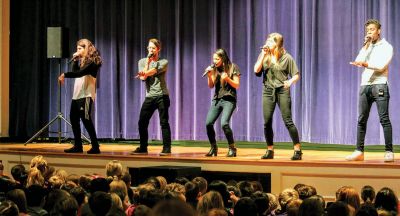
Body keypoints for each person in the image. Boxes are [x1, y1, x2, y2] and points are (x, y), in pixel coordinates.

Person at [346, 19, 394, 162]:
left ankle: (389, 151)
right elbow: (358, 60)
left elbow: (380, 66)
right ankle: (359, 151)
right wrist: (365, 46)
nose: (369, 32)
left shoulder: (386, 46)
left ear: (378, 31)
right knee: (361, 119)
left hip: (380, 84)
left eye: (372, 30)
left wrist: (365, 63)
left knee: (384, 118)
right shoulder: (367, 46)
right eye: (368, 30)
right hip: (365, 85)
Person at [254, 32, 302, 160]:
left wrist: (290, 81)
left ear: (277, 44)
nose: (267, 43)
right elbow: (256, 70)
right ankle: (270, 150)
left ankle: (297, 150)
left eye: (270, 41)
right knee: (267, 122)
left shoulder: (287, 58)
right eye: (267, 40)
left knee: (288, 121)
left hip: (282, 90)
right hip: (268, 90)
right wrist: (263, 56)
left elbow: (296, 75)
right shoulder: (264, 55)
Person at [58, 38, 102, 154]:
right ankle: (78, 146)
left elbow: (79, 73)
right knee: (73, 119)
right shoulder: (82, 62)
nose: (77, 50)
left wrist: (64, 74)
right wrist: (75, 60)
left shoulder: (93, 62)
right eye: (77, 48)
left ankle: (95, 146)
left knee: (86, 120)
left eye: (79, 48)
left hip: (86, 95)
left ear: (86, 48)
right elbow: (77, 73)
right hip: (77, 95)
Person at [131, 38, 171, 156]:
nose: (151, 50)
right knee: (142, 122)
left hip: (162, 95)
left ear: (158, 49)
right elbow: (143, 78)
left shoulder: (163, 62)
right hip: (150, 96)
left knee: (164, 122)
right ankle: (143, 148)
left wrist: (144, 73)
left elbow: (152, 72)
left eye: (153, 48)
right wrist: (146, 65)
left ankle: (167, 148)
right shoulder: (142, 61)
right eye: (149, 47)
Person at [204, 48, 241, 157]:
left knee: (224, 123)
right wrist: (209, 75)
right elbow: (211, 86)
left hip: (229, 99)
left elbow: (237, 85)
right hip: (217, 99)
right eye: (213, 59)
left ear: (222, 58)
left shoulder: (232, 67)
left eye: (217, 59)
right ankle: (213, 147)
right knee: (208, 123)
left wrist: (228, 79)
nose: (214, 61)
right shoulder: (214, 69)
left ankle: (232, 148)